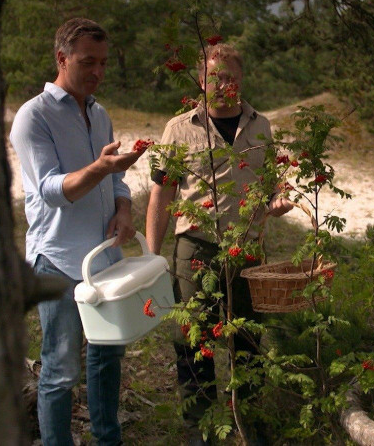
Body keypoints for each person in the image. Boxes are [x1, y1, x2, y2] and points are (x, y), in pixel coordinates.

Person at [145, 44, 293, 446]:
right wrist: (151, 257)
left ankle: (250, 422)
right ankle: (201, 428)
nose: (224, 85)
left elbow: (272, 182)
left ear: (241, 81)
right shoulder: (178, 128)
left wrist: (280, 198)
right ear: (201, 81)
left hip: (247, 251)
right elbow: (162, 194)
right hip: (196, 249)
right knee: (193, 340)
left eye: (231, 77)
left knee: (248, 340)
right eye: (215, 77)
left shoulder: (261, 126)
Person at [10, 18, 147, 446]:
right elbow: (52, 191)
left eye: (103, 63)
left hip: (103, 258)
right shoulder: (33, 116)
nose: (98, 72)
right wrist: (100, 168)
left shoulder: (99, 113)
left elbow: (116, 181)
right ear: (62, 58)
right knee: (60, 368)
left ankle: (108, 439)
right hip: (58, 259)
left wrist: (123, 208)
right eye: (88, 62)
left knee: (107, 357)